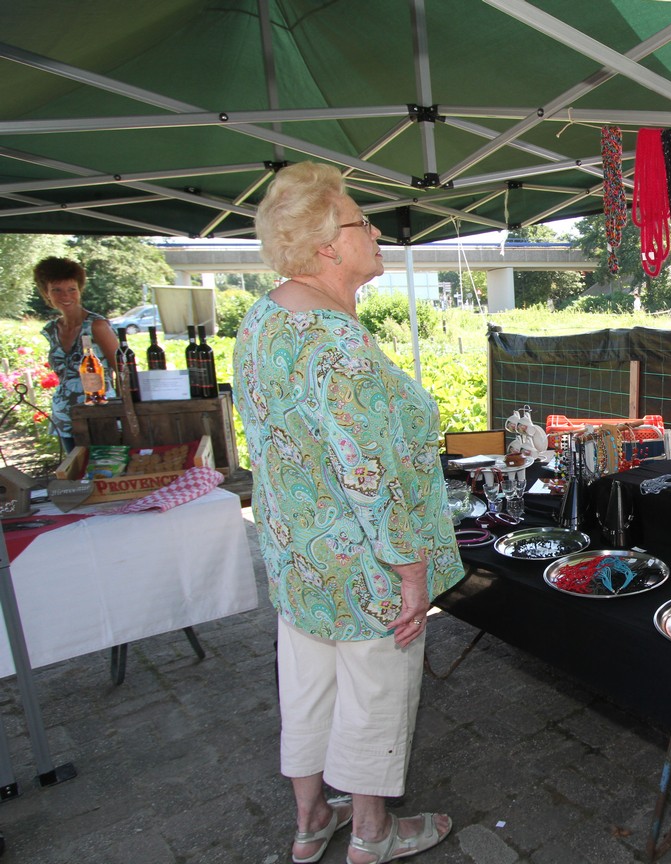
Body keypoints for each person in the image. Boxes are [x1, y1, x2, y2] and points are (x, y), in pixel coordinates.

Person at [233, 162, 464, 864]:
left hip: (298, 554)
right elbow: (369, 475)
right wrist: (411, 571)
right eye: (363, 221)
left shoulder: (265, 316)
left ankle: (311, 821)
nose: (377, 232)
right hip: (364, 562)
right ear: (327, 245)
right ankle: (371, 831)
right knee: (374, 692)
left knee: (308, 685)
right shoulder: (337, 343)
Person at [33, 257, 119, 453]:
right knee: (76, 469)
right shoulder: (52, 329)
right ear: (46, 293)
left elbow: (123, 370)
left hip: (99, 414)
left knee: (105, 467)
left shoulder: (97, 325)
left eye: (71, 289)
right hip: (65, 416)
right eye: (57, 290)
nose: (65, 296)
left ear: (80, 290)